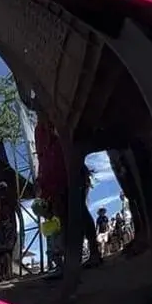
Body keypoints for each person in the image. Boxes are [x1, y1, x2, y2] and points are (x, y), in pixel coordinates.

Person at [32, 114, 102, 268]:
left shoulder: (57, 117)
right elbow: (42, 157)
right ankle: (71, 261)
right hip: (54, 180)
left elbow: (66, 144)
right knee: (64, 218)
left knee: (80, 211)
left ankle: (93, 252)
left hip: (70, 172)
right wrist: (42, 181)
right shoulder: (39, 130)